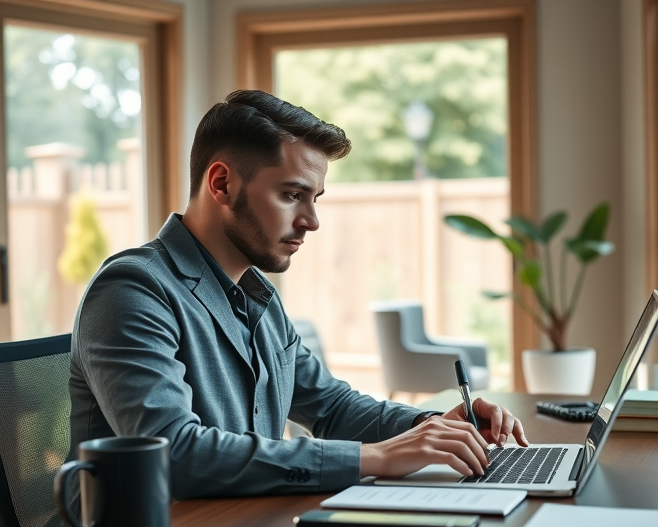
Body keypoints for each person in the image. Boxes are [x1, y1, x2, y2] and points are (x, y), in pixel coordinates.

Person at [67, 89, 529, 501]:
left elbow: (330, 407)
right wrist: (374, 458)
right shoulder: (132, 291)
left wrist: (431, 428)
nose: (311, 220)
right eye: (292, 195)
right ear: (222, 183)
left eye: (316, 198)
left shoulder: (257, 294)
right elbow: (176, 453)